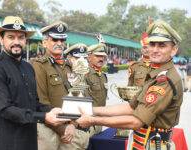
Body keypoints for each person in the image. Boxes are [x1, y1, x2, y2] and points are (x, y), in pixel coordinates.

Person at [76, 20, 183, 150]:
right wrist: (90, 109)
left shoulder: (165, 79)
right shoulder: (155, 73)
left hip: (154, 145)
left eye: (162, 46)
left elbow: (136, 121)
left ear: (174, 50)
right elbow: (131, 107)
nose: (154, 50)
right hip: (142, 143)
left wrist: (92, 120)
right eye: (152, 44)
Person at [0, 16, 69, 150]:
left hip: (28, 140)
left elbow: (33, 102)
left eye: (21, 37)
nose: (16, 42)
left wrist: (52, 110)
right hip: (4, 142)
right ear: (1, 39)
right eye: (11, 37)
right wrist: (44, 117)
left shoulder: (28, 67)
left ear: (25, 40)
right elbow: (6, 110)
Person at [31, 21, 75, 150]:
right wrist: (63, 129)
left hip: (69, 127)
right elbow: (42, 102)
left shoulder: (68, 66)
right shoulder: (39, 65)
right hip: (49, 128)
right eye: (55, 39)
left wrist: (72, 124)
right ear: (44, 43)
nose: (59, 43)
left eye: (62, 40)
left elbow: (74, 96)